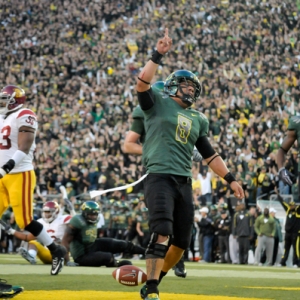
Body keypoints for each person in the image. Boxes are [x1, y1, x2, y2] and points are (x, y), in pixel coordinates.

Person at [135, 29, 244, 300]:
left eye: (194, 87)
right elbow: (141, 84)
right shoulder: (157, 103)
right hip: (158, 175)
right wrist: (158, 54)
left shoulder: (198, 118)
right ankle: (151, 289)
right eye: (186, 85)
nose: (190, 90)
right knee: (162, 231)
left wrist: (230, 178)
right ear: (173, 85)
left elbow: (209, 154)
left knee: (182, 243)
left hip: (184, 181)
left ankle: (154, 277)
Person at [123, 80, 202, 278]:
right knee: (163, 226)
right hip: (157, 172)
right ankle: (155, 277)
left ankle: (175, 262)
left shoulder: (179, 113)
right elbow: (128, 145)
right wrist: (158, 151)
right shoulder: (148, 109)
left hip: (179, 173)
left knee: (181, 228)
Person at [0, 85, 66, 276]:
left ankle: (56, 250)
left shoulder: (25, 114)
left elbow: (25, 146)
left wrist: (5, 168)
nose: (2, 102)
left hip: (19, 173)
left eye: (6, 99)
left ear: (16, 100)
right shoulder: (2, 116)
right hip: (2, 175)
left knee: (25, 221)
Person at [61, 201, 145, 267]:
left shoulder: (96, 219)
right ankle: (115, 263)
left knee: (122, 244)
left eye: (95, 214)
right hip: (82, 254)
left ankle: (147, 251)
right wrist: (67, 261)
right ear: (84, 213)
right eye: (91, 214)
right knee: (108, 257)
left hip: (93, 244)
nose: (94, 217)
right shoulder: (78, 221)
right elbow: (64, 241)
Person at [18, 201, 72, 265]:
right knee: (32, 243)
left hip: (61, 254)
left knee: (63, 244)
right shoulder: (40, 222)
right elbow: (27, 235)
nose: (46, 214)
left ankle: (67, 260)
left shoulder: (62, 219)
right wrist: (12, 231)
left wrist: (72, 210)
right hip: (47, 253)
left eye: (48, 212)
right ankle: (32, 256)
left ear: (56, 212)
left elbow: (76, 222)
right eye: (45, 212)